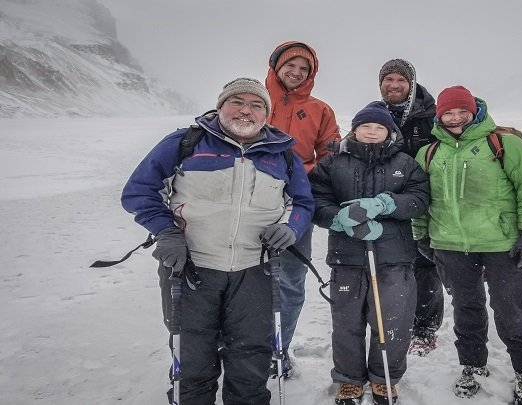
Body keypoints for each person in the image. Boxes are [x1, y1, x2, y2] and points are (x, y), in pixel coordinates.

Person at [120, 77, 314, 405]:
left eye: (256, 105)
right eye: (237, 102)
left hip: (256, 270)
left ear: (266, 113)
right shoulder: (186, 143)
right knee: (193, 356)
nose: (246, 111)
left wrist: (290, 228)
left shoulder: (283, 155)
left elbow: (303, 203)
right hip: (192, 267)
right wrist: (165, 231)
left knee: (251, 357)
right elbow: (139, 191)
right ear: (220, 105)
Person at [412, 86, 522, 405]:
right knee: (467, 308)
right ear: (439, 115)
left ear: (475, 111)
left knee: (512, 308)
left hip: (504, 244)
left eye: (463, 110)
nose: (456, 117)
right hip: (450, 244)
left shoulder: (505, 144)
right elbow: (421, 200)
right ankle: (472, 366)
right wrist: (422, 235)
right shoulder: (429, 153)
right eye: (448, 112)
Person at [308, 102, 430, 405]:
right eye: (366, 126)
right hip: (347, 256)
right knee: (347, 322)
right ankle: (349, 380)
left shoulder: (405, 162)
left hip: (394, 257)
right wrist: (338, 218)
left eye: (380, 127)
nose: (373, 132)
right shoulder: (334, 162)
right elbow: (316, 199)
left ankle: (384, 377)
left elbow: (420, 199)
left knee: (392, 321)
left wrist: (388, 204)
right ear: (355, 129)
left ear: (389, 132)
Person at [265, 41, 341, 377]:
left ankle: (277, 350)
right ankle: (240, 347)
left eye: (304, 69)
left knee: (290, 280)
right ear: (276, 65)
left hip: (297, 204)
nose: (296, 73)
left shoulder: (319, 109)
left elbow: (329, 156)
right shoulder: (253, 99)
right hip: (246, 201)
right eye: (290, 65)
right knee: (240, 279)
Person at [378, 58, 445, 357]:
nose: (394, 85)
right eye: (388, 80)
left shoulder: (429, 115)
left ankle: (425, 327)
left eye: (400, 81)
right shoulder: (377, 114)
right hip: (387, 202)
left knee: (425, 265)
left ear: (412, 84)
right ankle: (394, 320)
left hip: (424, 199)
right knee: (390, 266)